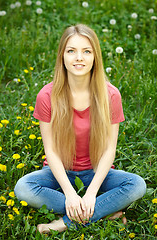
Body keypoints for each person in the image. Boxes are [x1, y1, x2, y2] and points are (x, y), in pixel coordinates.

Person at [14, 24, 146, 234]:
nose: (79, 58)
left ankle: (65, 223)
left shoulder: (111, 95)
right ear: (62, 57)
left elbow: (110, 149)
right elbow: (51, 151)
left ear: (95, 57)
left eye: (86, 51)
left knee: (137, 185)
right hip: (58, 173)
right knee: (23, 188)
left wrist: (92, 192)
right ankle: (102, 211)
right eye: (71, 51)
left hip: (97, 172)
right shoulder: (47, 96)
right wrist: (69, 193)